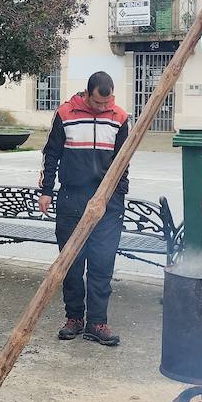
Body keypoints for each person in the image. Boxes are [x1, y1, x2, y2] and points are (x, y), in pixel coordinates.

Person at [38, 71, 130, 347]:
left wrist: (118, 196)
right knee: (71, 264)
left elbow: (122, 160)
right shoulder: (66, 114)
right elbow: (51, 153)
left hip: (107, 202)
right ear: (88, 94)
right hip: (72, 199)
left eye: (108, 102)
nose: (104, 108)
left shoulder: (120, 118)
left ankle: (97, 323)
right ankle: (74, 318)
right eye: (99, 103)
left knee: (102, 265)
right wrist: (46, 191)